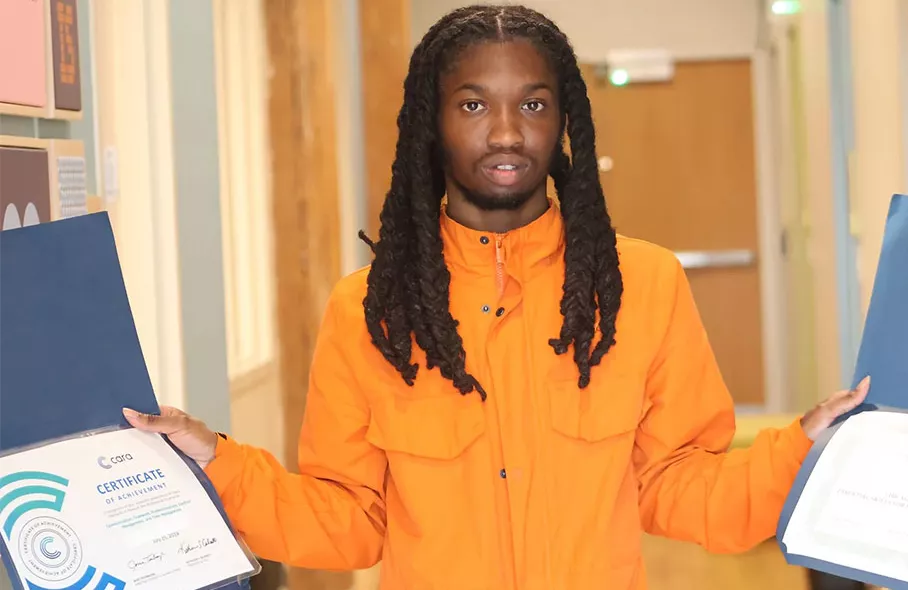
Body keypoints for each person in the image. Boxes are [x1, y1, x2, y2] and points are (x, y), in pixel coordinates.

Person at [124, 4, 870, 588]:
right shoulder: (367, 312)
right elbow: (348, 523)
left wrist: (798, 447)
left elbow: (681, 490)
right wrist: (217, 460)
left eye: (534, 104)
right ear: (433, 122)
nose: (507, 131)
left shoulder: (644, 285)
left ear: (563, 119)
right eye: (475, 105)